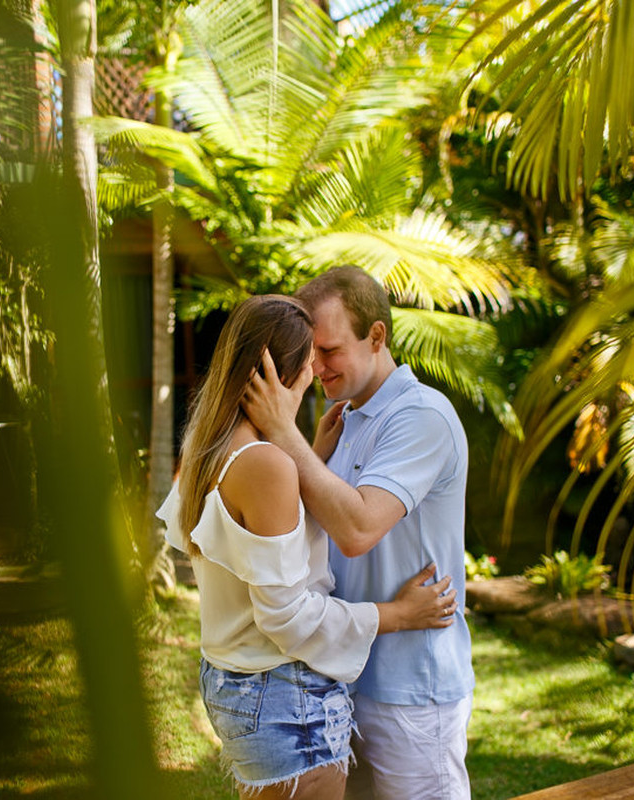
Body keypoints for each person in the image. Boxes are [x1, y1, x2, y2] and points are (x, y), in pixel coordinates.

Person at [156, 294, 459, 800]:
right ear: (280, 374)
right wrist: (398, 614)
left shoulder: (205, 441)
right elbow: (286, 616)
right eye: (310, 362)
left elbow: (246, 541)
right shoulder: (264, 463)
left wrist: (308, 451)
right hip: (283, 696)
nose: (318, 372)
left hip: (238, 683)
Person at [243, 267, 474, 799]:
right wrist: (312, 449)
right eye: (309, 354)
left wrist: (283, 431)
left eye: (329, 350)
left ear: (376, 336)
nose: (315, 367)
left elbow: (357, 529)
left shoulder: (420, 416)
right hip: (345, 679)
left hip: (411, 690)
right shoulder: (345, 418)